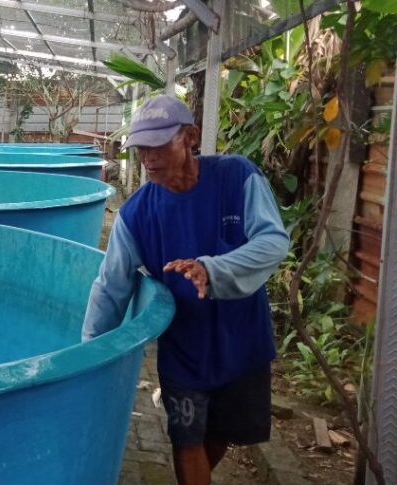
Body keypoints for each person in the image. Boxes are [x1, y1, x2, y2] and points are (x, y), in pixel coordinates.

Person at [81, 95, 290, 485]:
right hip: (184, 347)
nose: (149, 158)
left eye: (159, 146)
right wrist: (90, 350)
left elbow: (273, 241)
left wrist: (213, 269)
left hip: (243, 339)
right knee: (185, 437)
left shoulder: (237, 177)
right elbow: (111, 285)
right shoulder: (136, 214)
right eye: (141, 148)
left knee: (221, 432)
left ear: (190, 137)